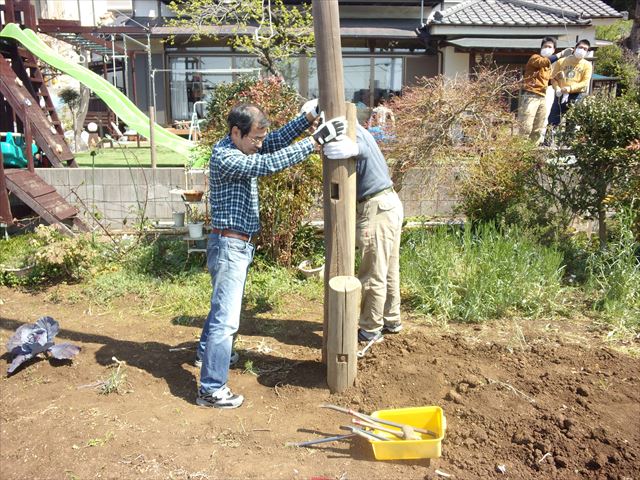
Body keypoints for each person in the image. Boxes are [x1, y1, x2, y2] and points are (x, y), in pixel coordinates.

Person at [196, 102, 347, 409]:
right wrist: (316, 140)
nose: (261, 144)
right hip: (230, 246)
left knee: (221, 308)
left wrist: (306, 120)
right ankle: (211, 388)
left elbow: (274, 143)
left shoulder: (245, 147)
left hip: (236, 245)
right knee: (226, 319)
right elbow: (267, 164)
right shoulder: (227, 156)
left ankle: (205, 353)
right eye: (256, 138)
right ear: (236, 132)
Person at [323, 123, 404, 343]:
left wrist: (354, 149)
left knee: (372, 271)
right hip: (389, 202)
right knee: (388, 268)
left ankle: (370, 329)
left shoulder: (351, 133)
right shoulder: (357, 129)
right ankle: (391, 319)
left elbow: (362, 150)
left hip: (376, 207)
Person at [518, 37, 573, 144]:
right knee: (526, 124)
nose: (547, 49)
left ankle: (533, 148)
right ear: (541, 48)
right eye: (545, 46)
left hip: (542, 96)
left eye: (550, 47)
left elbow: (546, 82)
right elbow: (544, 62)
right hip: (530, 95)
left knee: (538, 126)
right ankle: (520, 149)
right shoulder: (535, 58)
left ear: (553, 50)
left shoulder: (548, 67)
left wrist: (556, 77)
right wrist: (561, 54)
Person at [547, 39, 593, 131]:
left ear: (587, 52)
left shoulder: (587, 65)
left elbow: (585, 83)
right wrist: (557, 89)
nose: (582, 50)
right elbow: (553, 78)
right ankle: (547, 143)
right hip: (559, 95)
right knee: (553, 119)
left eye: (585, 49)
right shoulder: (561, 61)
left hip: (576, 96)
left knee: (572, 121)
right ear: (575, 48)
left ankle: (568, 143)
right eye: (580, 47)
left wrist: (570, 88)